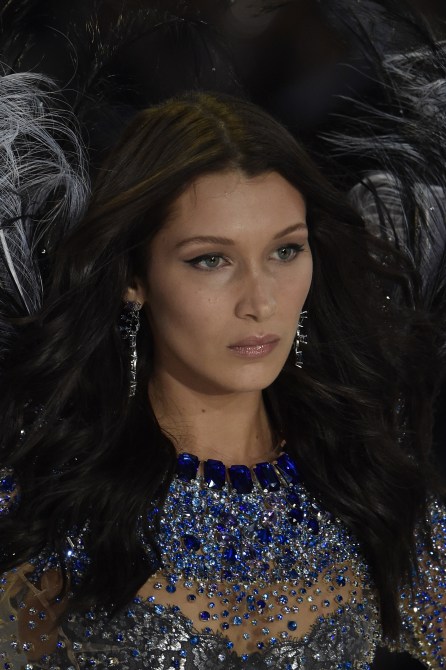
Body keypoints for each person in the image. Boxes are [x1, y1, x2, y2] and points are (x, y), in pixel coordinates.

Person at [0, 81, 444, 669]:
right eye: (211, 260)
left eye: (285, 251)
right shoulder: (48, 502)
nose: (260, 302)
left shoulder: (367, 483)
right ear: (132, 278)